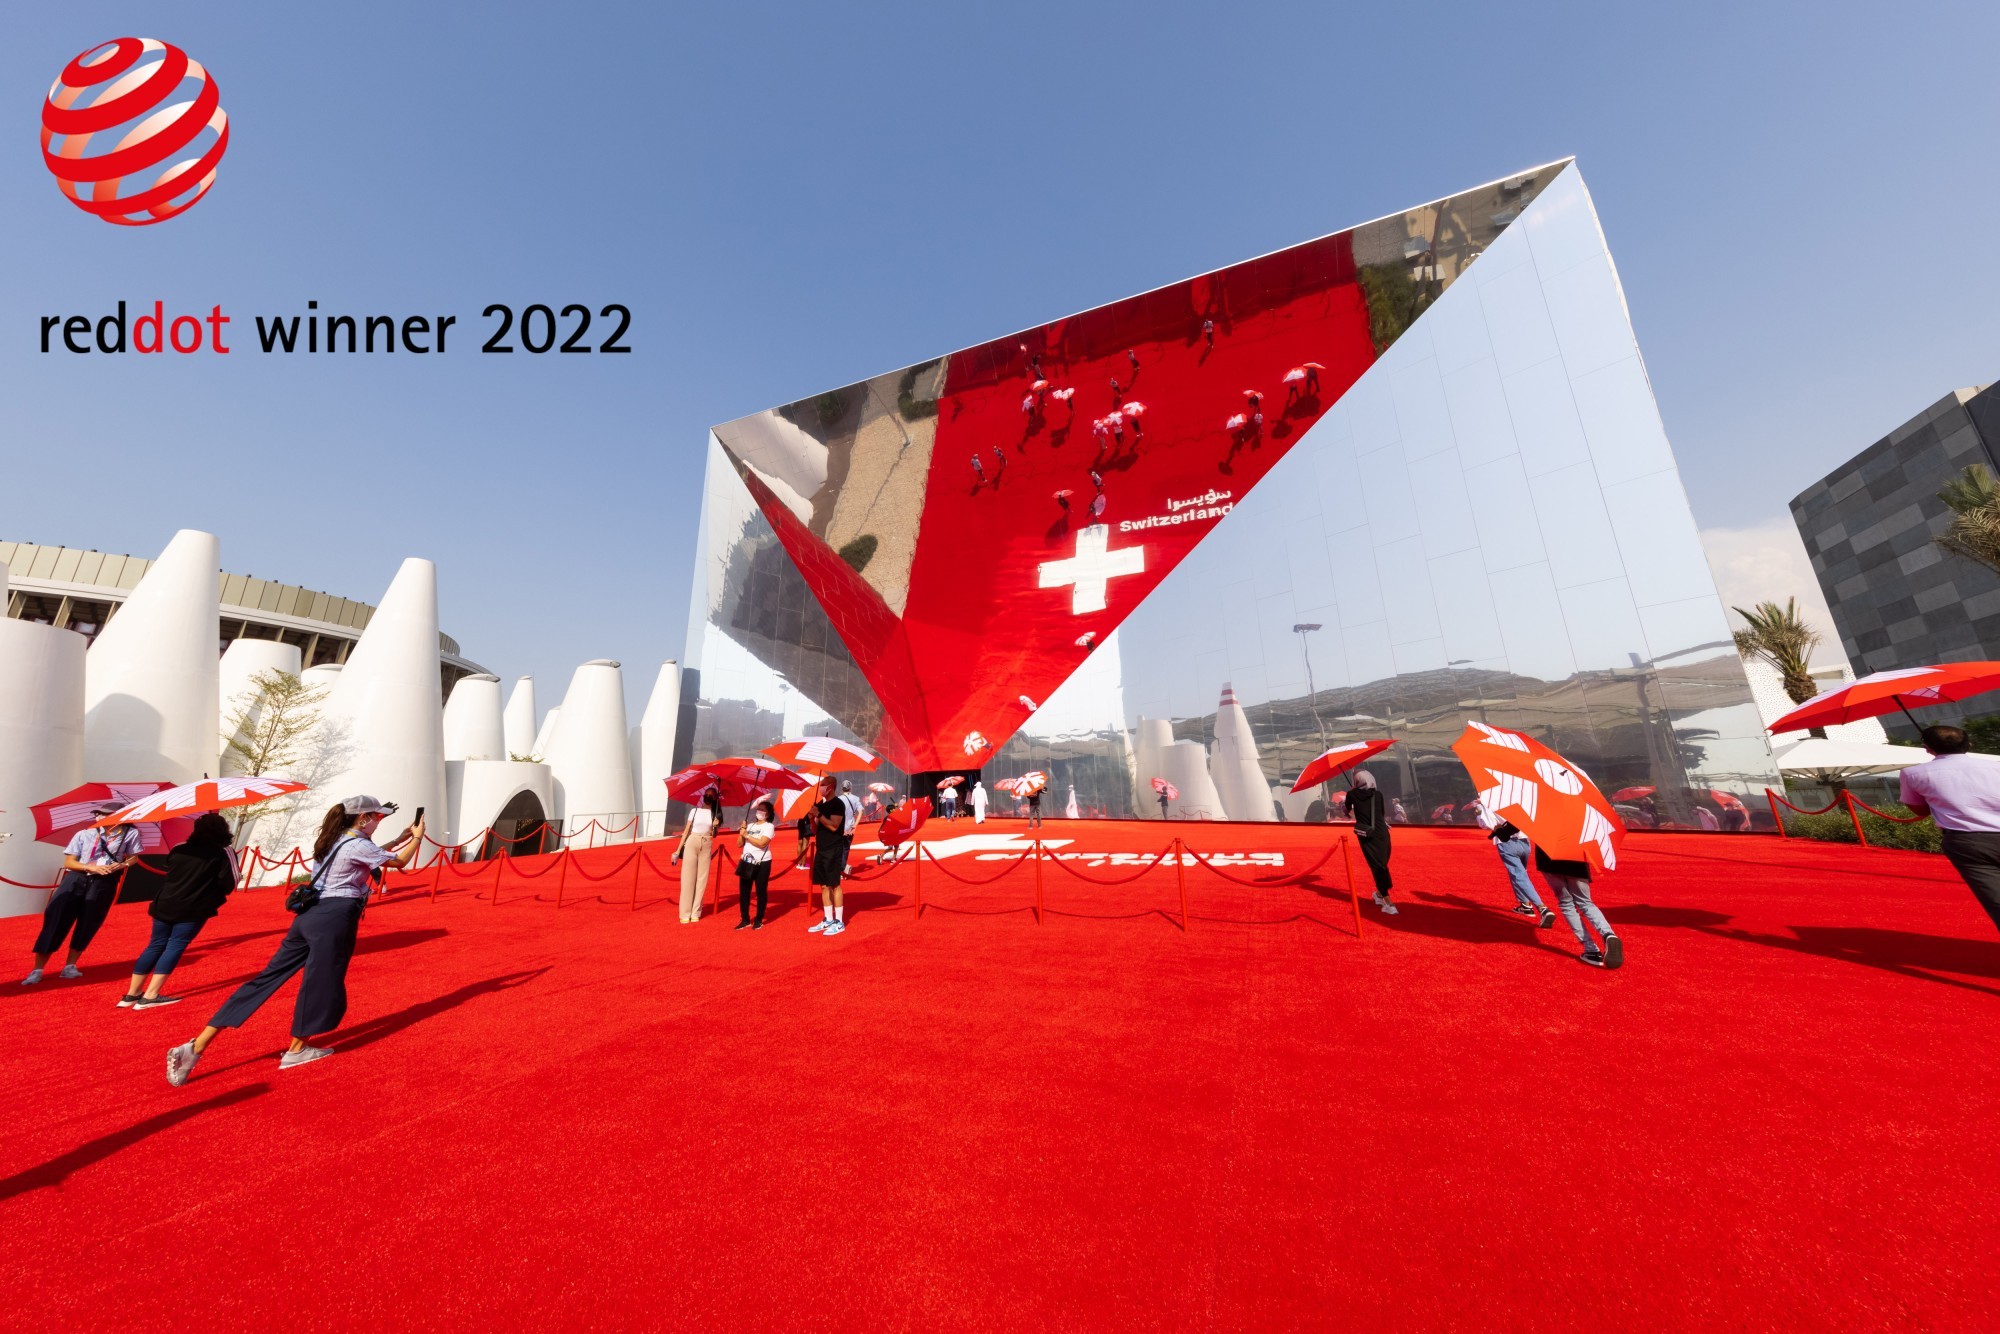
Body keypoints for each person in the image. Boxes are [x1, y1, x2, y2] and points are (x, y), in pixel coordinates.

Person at [165, 797, 423, 1085]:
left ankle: (196, 1045)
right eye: (377, 816)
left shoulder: (333, 838)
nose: (379, 821)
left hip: (308, 916)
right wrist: (416, 839)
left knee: (266, 978)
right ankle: (297, 1049)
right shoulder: (357, 843)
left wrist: (399, 838)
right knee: (320, 982)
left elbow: (368, 855)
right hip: (335, 916)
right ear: (362, 818)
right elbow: (399, 862)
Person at [120, 812, 240, 1009]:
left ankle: (132, 994)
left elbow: (170, 868)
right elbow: (230, 882)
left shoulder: (179, 848)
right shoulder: (224, 851)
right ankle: (150, 995)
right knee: (175, 945)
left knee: (155, 945)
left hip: (165, 902)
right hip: (194, 906)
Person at [1899, 724, 2000, 933]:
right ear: (1969, 744)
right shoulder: (1996, 766)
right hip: (1974, 841)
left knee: (1996, 899)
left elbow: (1920, 811)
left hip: (1969, 843)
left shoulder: (1913, 774)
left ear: (1927, 748)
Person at [24, 811, 144, 985]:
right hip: (77, 878)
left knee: (90, 921)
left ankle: (70, 966)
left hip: (105, 881)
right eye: (98, 814)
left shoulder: (130, 833)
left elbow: (134, 857)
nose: (99, 817)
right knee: (56, 919)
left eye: (104, 814)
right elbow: (69, 862)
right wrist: (91, 867)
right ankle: (37, 969)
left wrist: (122, 864)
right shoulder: (84, 834)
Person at [1534, 844, 1622, 968]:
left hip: (1548, 859)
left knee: (1566, 904)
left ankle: (1591, 949)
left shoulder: (1543, 823)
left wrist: (1502, 831)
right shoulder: (1580, 823)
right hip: (1576, 860)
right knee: (1586, 903)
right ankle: (1608, 934)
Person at [1473, 800, 1554, 929]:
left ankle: (1542, 908)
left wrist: (1478, 810)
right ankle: (1525, 905)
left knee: (1519, 876)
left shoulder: (1487, 803)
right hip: (1524, 842)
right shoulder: (1516, 799)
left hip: (1506, 843)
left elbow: (1484, 824)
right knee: (1520, 874)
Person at [1346, 771, 1397, 914]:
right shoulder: (1378, 794)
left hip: (1368, 835)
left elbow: (1347, 811)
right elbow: (1381, 813)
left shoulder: (1352, 794)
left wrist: (1352, 796)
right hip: (1382, 833)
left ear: (1356, 781)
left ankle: (1384, 898)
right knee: (1381, 864)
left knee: (1378, 865)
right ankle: (1384, 896)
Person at [807, 776, 851, 935]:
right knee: (823, 885)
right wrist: (812, 818)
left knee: (834, 884)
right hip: (821, 848)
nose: (821, 788)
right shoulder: (820, 805)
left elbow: (833, 826)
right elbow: (814, 830)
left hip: (834, 848)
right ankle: (828, 918)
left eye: (823, 785)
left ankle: (839, 921)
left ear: (831, 786)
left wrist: (818, 814)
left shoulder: (838, 804)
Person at [672, 787, 722, 924]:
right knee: (688, 878)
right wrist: (677, 850)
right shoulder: (694, 811)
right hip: (692, 841)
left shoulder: (715, 814)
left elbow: (714, 835)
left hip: (706, 842)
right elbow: (687, 831)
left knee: (702, 879)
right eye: (707, 794)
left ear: (715, 798)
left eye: (711, 795)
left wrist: (716, 826)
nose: (708, 796)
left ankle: (696, 911)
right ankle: (685, 912)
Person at [735, 796, 775, 930]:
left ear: (768, 813)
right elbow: (739, 844)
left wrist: (747, 835)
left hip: (762, 862)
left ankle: (759, 919)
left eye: (763, 810)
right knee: (744, 891)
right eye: (759, 809)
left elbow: (763, 843)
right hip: (746, 860)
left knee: (761, 891)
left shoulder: (769, 826)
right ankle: (745, 919)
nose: (760, 812)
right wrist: (742, 832)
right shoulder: (750, 825)